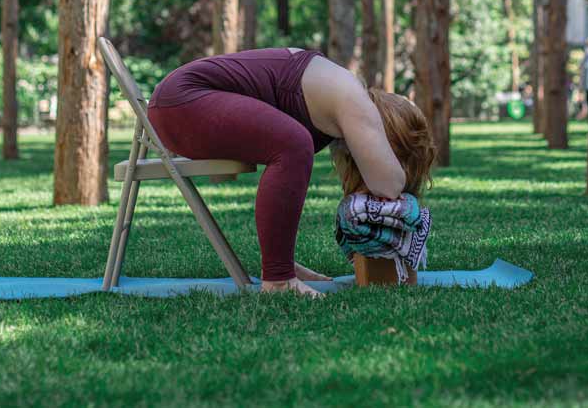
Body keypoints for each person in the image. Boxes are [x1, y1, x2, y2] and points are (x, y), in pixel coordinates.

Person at [148, 48, 436, 298]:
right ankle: (278, 280)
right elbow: (388, 184)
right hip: (183, 103)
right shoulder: (356, 101)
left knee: (293, 145)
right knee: (295, 144)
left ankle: (281, 264)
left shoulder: (338, 97)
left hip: (179, 105)